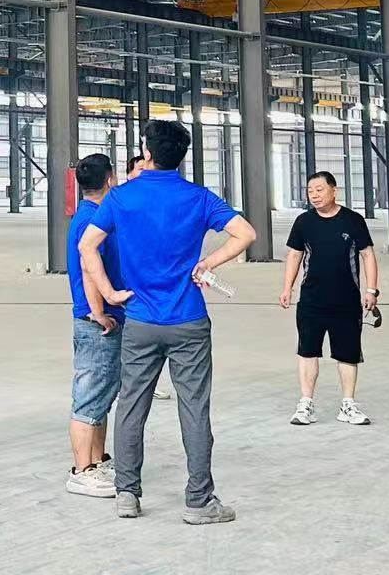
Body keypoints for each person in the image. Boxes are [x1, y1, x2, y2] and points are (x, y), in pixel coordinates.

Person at [79, 119, 254, 524]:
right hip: (188, 319)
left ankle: (127, 493)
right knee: (194, 408)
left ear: (148, 152)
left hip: (140, 319)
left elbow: (88, 247)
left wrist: (109, 293)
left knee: (131, 405)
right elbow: (245, 234)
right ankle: (199, 501)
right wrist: (208, 263)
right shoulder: (198, 197)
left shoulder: (121, 198)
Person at [280, 170, 378, 427]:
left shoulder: (353, 221)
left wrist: (371, 290)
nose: (314, 195)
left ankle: (348, 404)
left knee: (348, 354)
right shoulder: (304, 222)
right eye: (310, 191)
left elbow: (367, 255)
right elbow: (294, 256)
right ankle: (306, 404)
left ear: (335, 191)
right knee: (307, 351)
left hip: (347, 301)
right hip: (311, 300)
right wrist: (287, 288)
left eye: (319, 190)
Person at [65, 153, 122, 499]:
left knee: (101, 394)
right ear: (110, 179)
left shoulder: (91, 215)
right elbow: (89, 267)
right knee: (89, 397)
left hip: (100, 318)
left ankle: (98, 460)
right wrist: (99, 311)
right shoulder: (90, 220)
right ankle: (81, 470)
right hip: (94, 321)